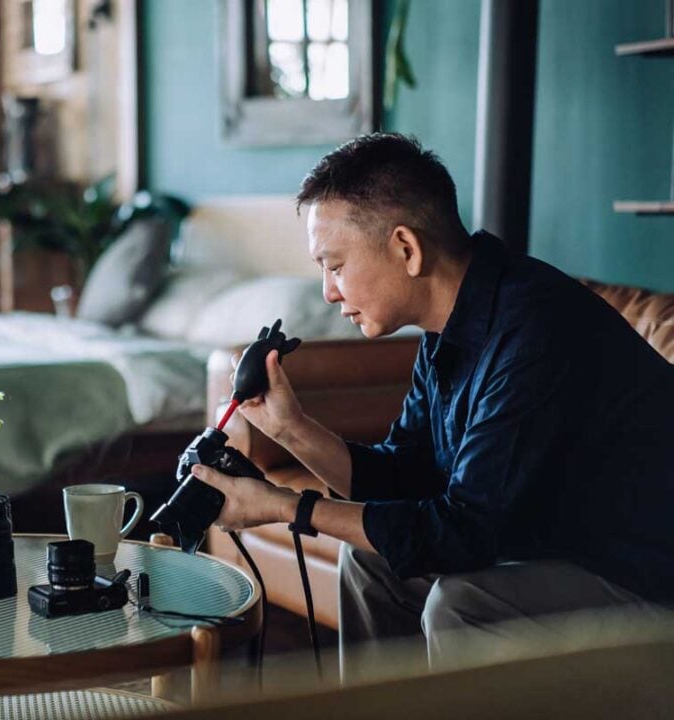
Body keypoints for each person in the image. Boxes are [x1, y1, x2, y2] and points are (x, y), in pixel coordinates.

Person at [192, 133, 674, 680]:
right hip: (556, 550)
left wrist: (285, 507)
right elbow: (402, 478)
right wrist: (291, 429)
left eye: (335, 264)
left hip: (644, 580)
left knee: (462, 604)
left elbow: (461, 533)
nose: (328, 290)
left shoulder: (536, 330)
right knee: (370, 563)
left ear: (406, 248)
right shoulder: (449, 329)